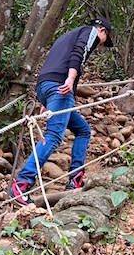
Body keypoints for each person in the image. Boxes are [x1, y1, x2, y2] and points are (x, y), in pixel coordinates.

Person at [10, 17, 113, 205]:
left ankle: (76, 178)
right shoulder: (90, 32)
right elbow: (78, 53)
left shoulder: (67, 36)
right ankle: (22, 184)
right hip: (59, 87)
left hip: (46, 87)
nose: (100, 46)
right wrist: (70, 79)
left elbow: (53, 62)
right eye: (105, 41)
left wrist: (47, 98)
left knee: (83, 130)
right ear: (102, 31)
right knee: (54, 136)